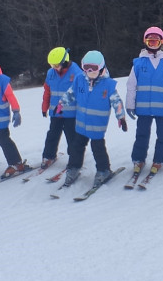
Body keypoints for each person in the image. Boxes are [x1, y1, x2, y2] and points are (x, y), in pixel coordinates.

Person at [54, 50, 127, 187]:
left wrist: (121, 117)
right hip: (81, 124)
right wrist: (61, 104)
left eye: (93, 70)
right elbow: (71, 94)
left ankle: (103, 170)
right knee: (76, 147)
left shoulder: (108, 85)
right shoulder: (79, 80)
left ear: (101, 68)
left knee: (97, 148)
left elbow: (117, 101)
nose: (90, 72)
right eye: (86, 69)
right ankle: (73, 168)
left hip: (97, 126)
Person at [125, 26, 163, 178]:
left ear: (161, 42)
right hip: (143, 108)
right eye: (150, 41)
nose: (153, 44)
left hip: (162, 108)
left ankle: (159, 160)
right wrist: (130, 104)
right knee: (142, 134)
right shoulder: (139, 63)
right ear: (145, 42)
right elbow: (131, 85)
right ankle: (138, 159)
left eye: (156, 42)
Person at [40, 47, 80, 169]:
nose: (54, 67)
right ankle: (48, 156)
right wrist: (44, 107)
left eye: (56, 65)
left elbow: (81, 94)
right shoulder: (50, 73)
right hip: (55, 113)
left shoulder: (77, 73)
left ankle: (75, 160)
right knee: (52, 134)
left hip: (71, 114)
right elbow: (47, 91)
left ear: (65, 62)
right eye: (52, 65)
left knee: (72, 136)